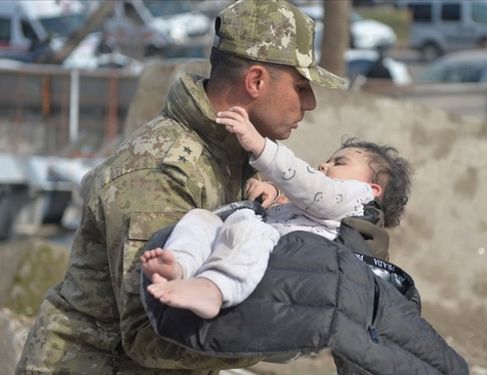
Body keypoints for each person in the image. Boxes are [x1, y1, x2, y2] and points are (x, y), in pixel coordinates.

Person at [17, 0, 346, 372]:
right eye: (301, 86)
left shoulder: (233, 154)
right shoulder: (162, 171)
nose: (311, 103)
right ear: (255, 81)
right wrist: (306, 330)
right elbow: (150, 334)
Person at [140, 106, 411, 319]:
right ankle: (179, 265)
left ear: (372, 189)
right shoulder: (326, 202)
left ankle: (214, 290)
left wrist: (260, 146)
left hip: (285, 265)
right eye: (328, 159)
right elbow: (305, 203)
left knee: (250, 229)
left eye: (339, 162)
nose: (323, 165)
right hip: (255, 246)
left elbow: (312, 189)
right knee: (202, 219)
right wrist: (273, 195)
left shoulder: (355, 198)